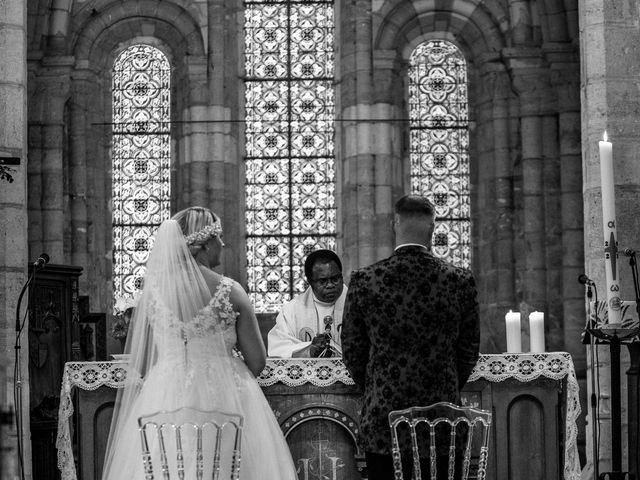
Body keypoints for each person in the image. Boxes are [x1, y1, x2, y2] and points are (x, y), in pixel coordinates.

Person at [101, 207, 297, 480]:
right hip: (227, 397)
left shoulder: (152, 295)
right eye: (219, 237)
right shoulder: (230, 291)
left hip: (164, 395)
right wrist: (224, 367)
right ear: (205, 243)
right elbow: (258, 361)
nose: (223, 244)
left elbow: (142, 361)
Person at [340, 194, 480, 480]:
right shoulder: (459, 280)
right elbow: (468, 350)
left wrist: (377, 385)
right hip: (441, 422)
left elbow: (352, 350)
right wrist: (445, 383)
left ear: (395, 223)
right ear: (432, 228)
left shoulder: (366, 280)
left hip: (384, 420)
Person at [267, 249, 347, 358]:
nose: (330, 285)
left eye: (335, 279)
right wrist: (309, 350)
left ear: (341, 276)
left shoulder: (359, 304)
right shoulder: (292, 310)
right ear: (310, 281)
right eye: (323, 281)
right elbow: (277, 347)